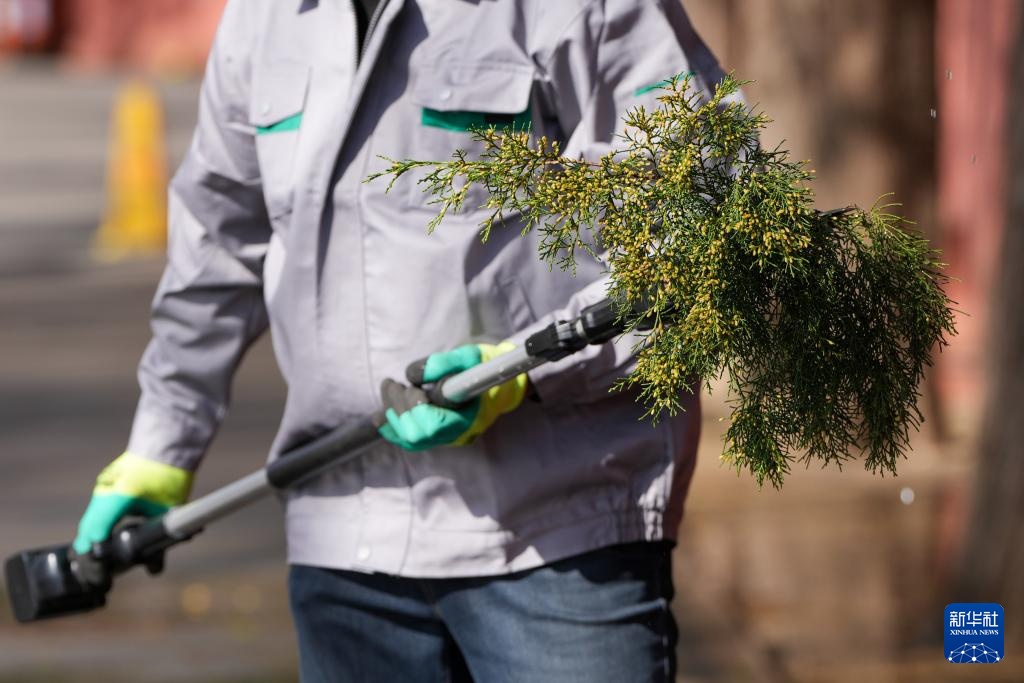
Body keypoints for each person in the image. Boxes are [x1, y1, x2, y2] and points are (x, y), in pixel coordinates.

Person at [73, 1, 729, 680]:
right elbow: (217, 243)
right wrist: (161, 444)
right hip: (345, 545)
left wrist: (523, 372)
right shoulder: (266, 17)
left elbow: (703, 216)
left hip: (558, 535)